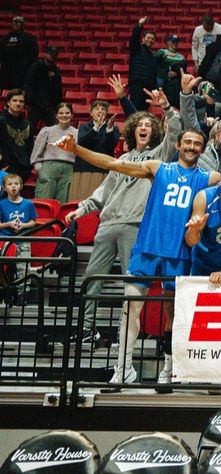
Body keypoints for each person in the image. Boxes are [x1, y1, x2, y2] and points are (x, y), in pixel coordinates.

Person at [53, 129, 221, 387]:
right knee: (130, 308)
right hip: (146, 248)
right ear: (178, 145)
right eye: (188, 142)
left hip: (178, 251)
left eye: (197, 144)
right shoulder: (158, 168)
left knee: (173, 314)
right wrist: (76, 149)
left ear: (202, 149)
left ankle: (169, 369)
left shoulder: (209, 177)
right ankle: (123, 368)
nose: (192, 146)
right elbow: (113, 164)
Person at [68, 102, 180, 345]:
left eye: (148, 125)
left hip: (135, 224)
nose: (144, 128)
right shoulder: (122, 159)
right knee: (92, 278)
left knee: (132, 284)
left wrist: (167, 109)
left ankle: (125, 335)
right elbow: (103, 192)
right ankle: (87, 329)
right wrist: (82, 208)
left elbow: (174, 135)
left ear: (154, 131)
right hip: (107, 224)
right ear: (132, 130)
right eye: (140, 125)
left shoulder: (159, 156)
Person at [0, 171, 36, 303]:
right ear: (4, 188)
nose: (13, 186)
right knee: (4, 267)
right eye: (10, 184)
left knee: (23, 268)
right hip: (5, 241)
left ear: (21, 186)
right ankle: (6, 291)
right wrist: (8, 224)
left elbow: (33, 221)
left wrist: (23, 225)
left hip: (23, 239)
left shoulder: (28, 204)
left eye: (16, 184)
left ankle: (23, 294)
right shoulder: (1, 204)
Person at [29, 104, 76, 202]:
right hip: (48, 168)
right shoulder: (47, 131)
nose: (64, 115)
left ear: (72, 115)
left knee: (64, 202)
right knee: (44, 200)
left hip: (69, 170)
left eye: (67, 113)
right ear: (56, 115)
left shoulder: (77, 133)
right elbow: (35, 155)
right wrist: (40, 171)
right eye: (61, 113)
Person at [22, 45, 62, 129]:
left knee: (56, 129)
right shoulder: (35, 67)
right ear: (45, 54)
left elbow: (58, 89)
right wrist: (28, 101)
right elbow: (28, 85)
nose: (52, 56)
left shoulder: (55, 70)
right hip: (35, 106)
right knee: (29, 129)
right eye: (50, 54)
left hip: (50, 107)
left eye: (54, 55)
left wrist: (58, 105)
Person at [0, 90, 32, 178]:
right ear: (8, 103)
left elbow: (30, 147)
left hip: (24, 169)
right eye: (14, 100)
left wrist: (29, 166)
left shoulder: (27, 124)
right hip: (5, 168)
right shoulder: (1, 121)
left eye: (21, 101)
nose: (18, 104)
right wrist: (3, 165)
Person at [129, 18, 159, 112]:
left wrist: (154, 88)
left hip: (148, 88)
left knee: (144, 112)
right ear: (143, 38)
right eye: (148, 38)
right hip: (137, 85)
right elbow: (134, 39)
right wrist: (139, 26)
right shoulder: (137, 49)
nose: (150, 40)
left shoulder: (153, 56)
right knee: (135, 111)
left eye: (152, 39)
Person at [1, 16, 37, 91]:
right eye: (14, 22)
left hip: (21, 72)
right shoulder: (6, 38)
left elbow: (33, 53)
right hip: (6, 71)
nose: (15, 24)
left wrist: (24, 64)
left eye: (18, 22)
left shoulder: (28, 38)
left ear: (22, 25)